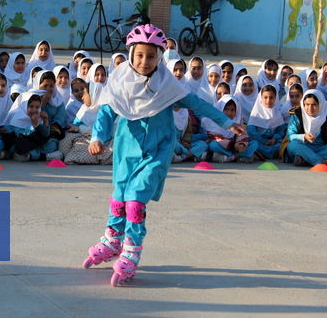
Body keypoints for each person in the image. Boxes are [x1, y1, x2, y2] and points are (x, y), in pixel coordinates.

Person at [83, 24, 245, 286]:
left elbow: (198, 104)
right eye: (139, 55)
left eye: (151, 56)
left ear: (160, 57)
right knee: (119, 198)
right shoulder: (119, 80)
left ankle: (131, 251)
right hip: (126, 150)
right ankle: (113, 240)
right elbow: (105, 113)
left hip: (157, 150)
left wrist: (226, 123)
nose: (144, 61)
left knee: (135, 201)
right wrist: (98, 137)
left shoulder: (168, 87)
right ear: (131, 53)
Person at [286, 90, 327, 166]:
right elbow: (290, 136)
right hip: (302, 146)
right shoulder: (297, 115)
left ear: (320, 104)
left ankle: (305, 159)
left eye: (314, 104)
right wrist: (303, 136)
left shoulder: (325, 115)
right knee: (293, 145)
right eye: (307, 104)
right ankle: (319, 161)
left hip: (320, 148)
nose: (310, 108)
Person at [247, 85, 286, 160]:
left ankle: (262, 154)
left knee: (282, 144)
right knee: (254, 144)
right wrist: (264, 141)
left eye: (271, 98)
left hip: (273, 142)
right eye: (265, 97)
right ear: (260, 98)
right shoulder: (256, 113)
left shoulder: (277, 113)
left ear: (276, 98)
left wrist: (274, 138)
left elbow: (281, 131)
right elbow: (252, 132)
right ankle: (270, 154)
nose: (268, 100)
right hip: (260, 142)